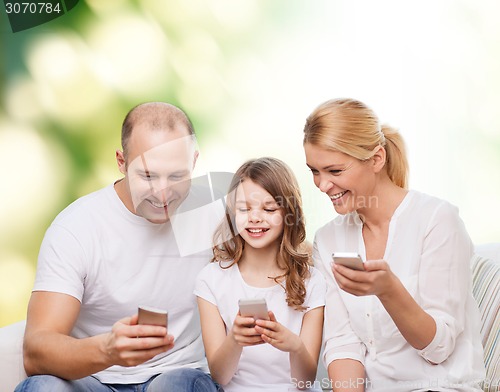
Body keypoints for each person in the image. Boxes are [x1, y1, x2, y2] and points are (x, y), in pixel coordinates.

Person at [15, 102, 222, 391]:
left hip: (175, 376)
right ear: (121, 162)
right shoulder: (77, 227)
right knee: (42, 387)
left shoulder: (215, 213)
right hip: (93, 380)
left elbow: (283, 260)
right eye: (148, 176)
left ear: (194, 162)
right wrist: (108, 350)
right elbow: (36, 351)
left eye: (177, 176)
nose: (163, 194)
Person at [303, 98, 486, 392]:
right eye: (314, 171)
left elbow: (438, 347)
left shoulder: (437, 220)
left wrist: (388, 290)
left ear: (377, 159)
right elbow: (343, 345)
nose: (323, 185)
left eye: (334, 171)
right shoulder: (328, 239)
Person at [194, 157, 326, 392]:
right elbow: (220, 376)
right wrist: (235, 339)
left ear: (289, 213)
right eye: (244, 209)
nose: (255, 218)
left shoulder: (312, 280)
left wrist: (294, 346)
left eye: (268, 208)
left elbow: (305, 381)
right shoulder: (211, 279)